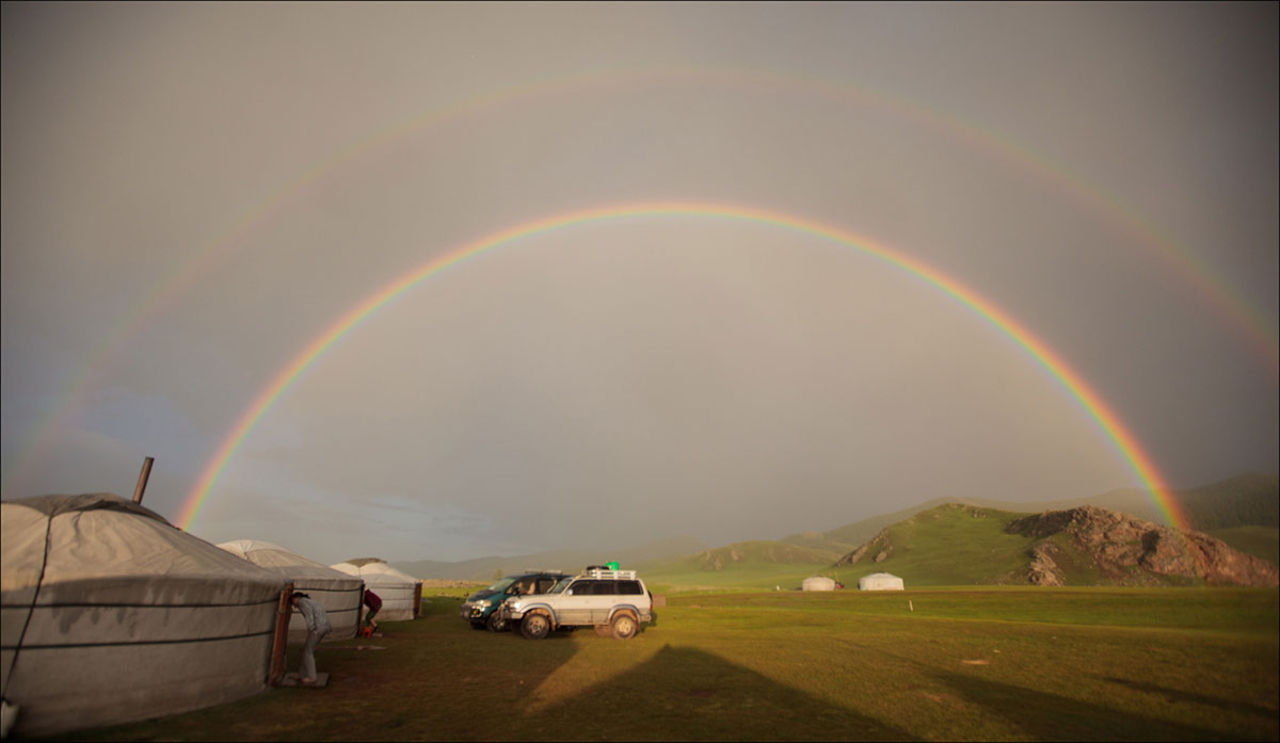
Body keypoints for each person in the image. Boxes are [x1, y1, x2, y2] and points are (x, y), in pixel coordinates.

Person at [290, 591, 331, 684]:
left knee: (308, 651)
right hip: (324, 626)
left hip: (318, 627)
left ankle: (312, 677)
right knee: (306, 650)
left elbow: (309, 616)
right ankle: (302, 674)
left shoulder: (302, 602)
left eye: (292, 601)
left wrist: (312, 628)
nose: (293, 605)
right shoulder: (311, 601)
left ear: (296, 598)